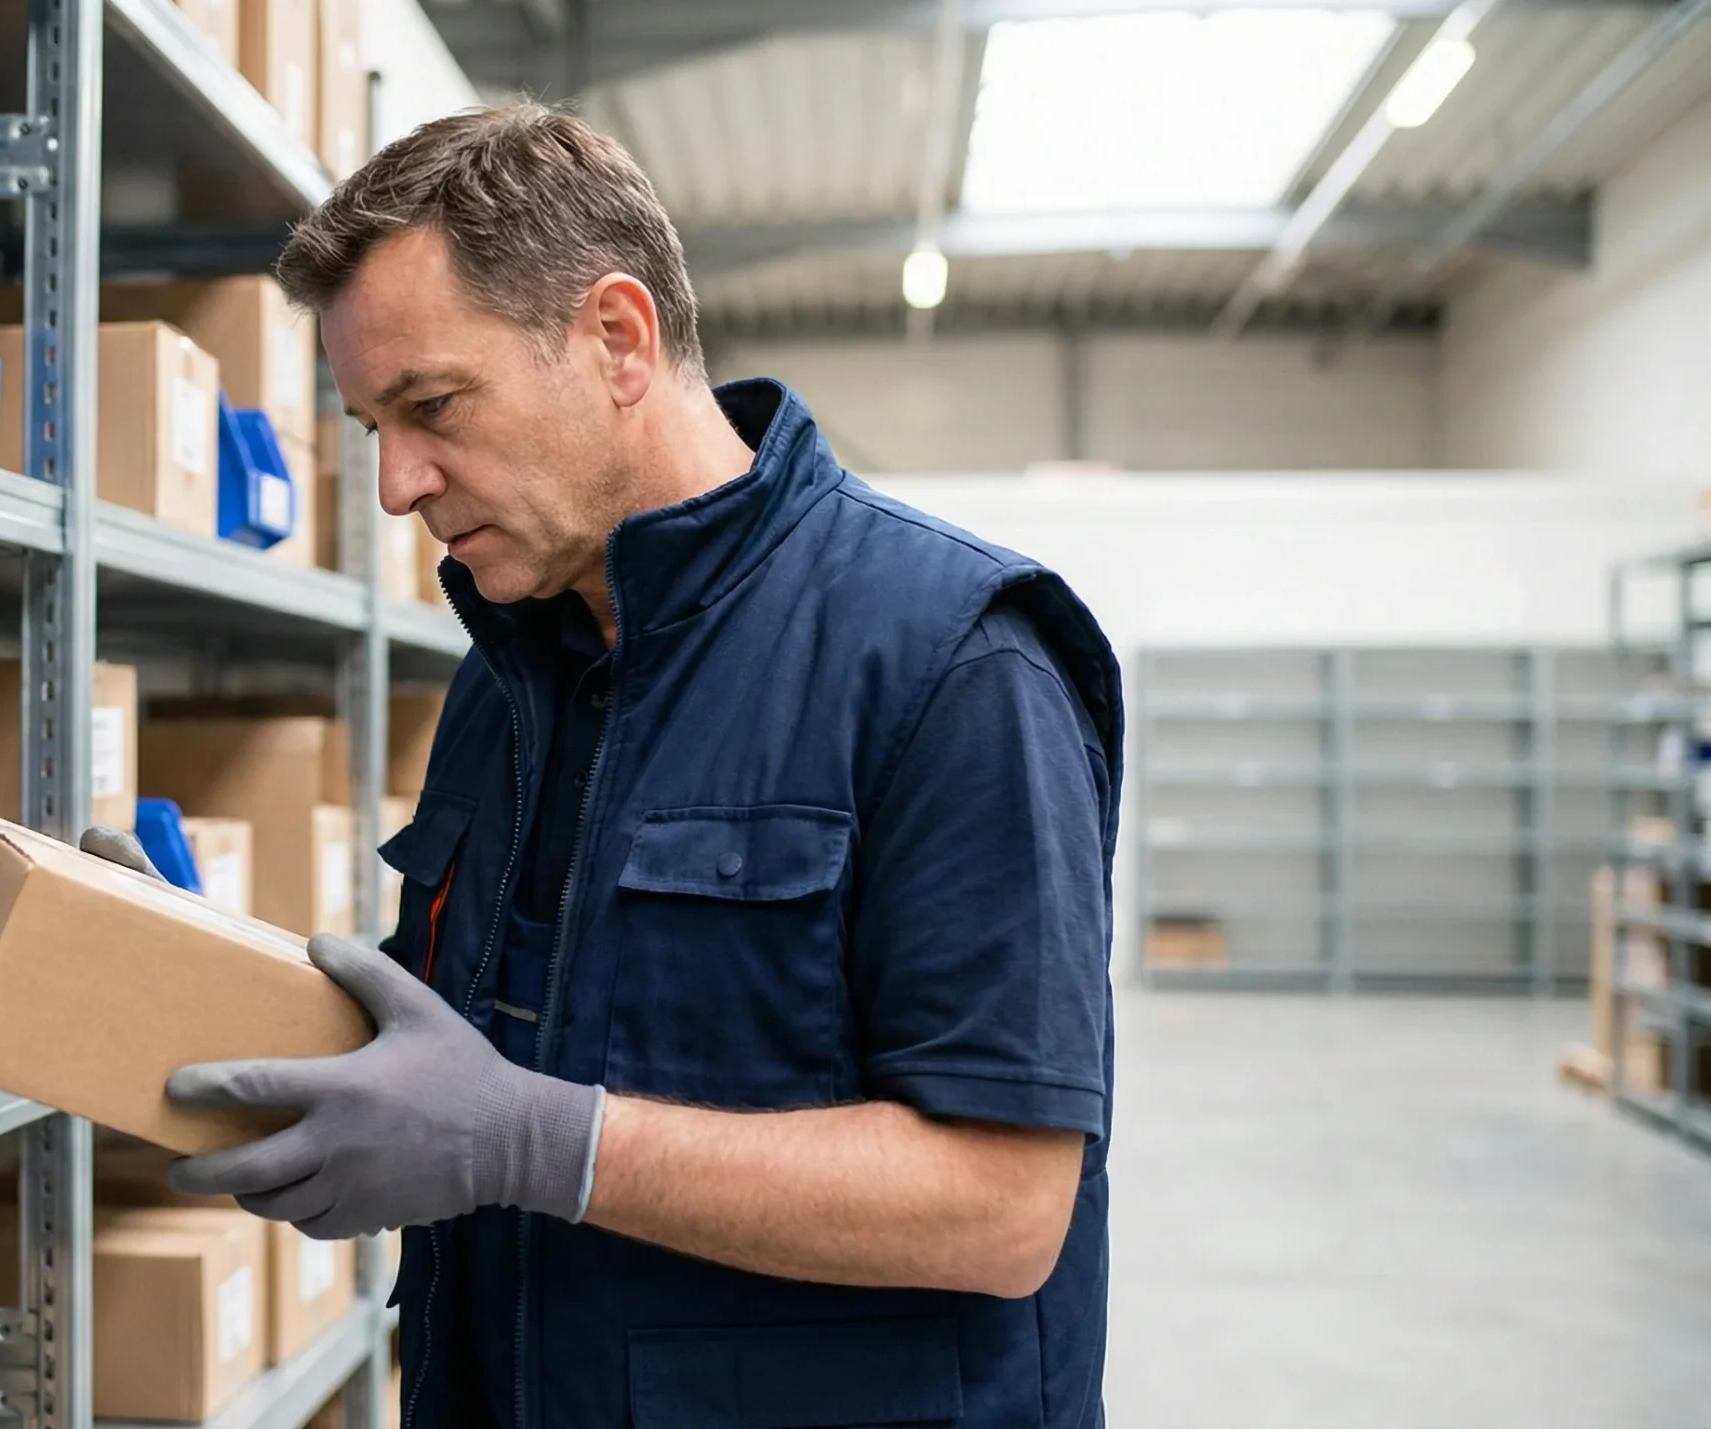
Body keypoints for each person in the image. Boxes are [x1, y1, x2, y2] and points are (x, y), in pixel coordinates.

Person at [83, 103, 1121, 1429]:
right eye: (370, 428)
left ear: (617, 340)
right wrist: (193, 995)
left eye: (434, 405)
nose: (397, 483)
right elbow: (467, 1059)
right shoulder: (513, 676)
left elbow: (1003, 1206)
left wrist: (540, 1146)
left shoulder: (953, 664)